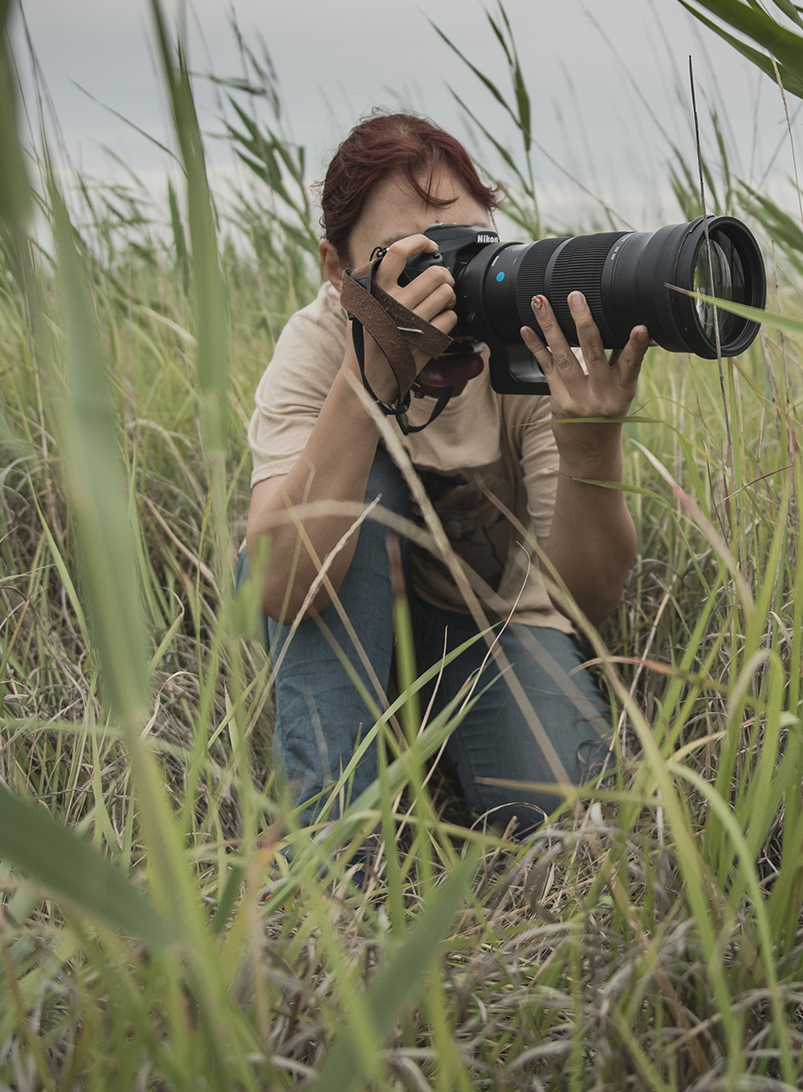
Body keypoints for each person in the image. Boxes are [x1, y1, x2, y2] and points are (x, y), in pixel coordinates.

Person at [244, 112, 648, 837]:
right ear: (339, 272)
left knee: (561, 817)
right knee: (348, 480)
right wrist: (363, 384)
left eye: (469, 249)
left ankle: (423, 710)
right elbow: (281, 584)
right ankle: (338, 858)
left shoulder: (523, 343)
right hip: (339, 608)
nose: (449, 285)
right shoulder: (317, 344)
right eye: (413, 261)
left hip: (491, 619)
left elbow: (589, 599)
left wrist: (592, 449)